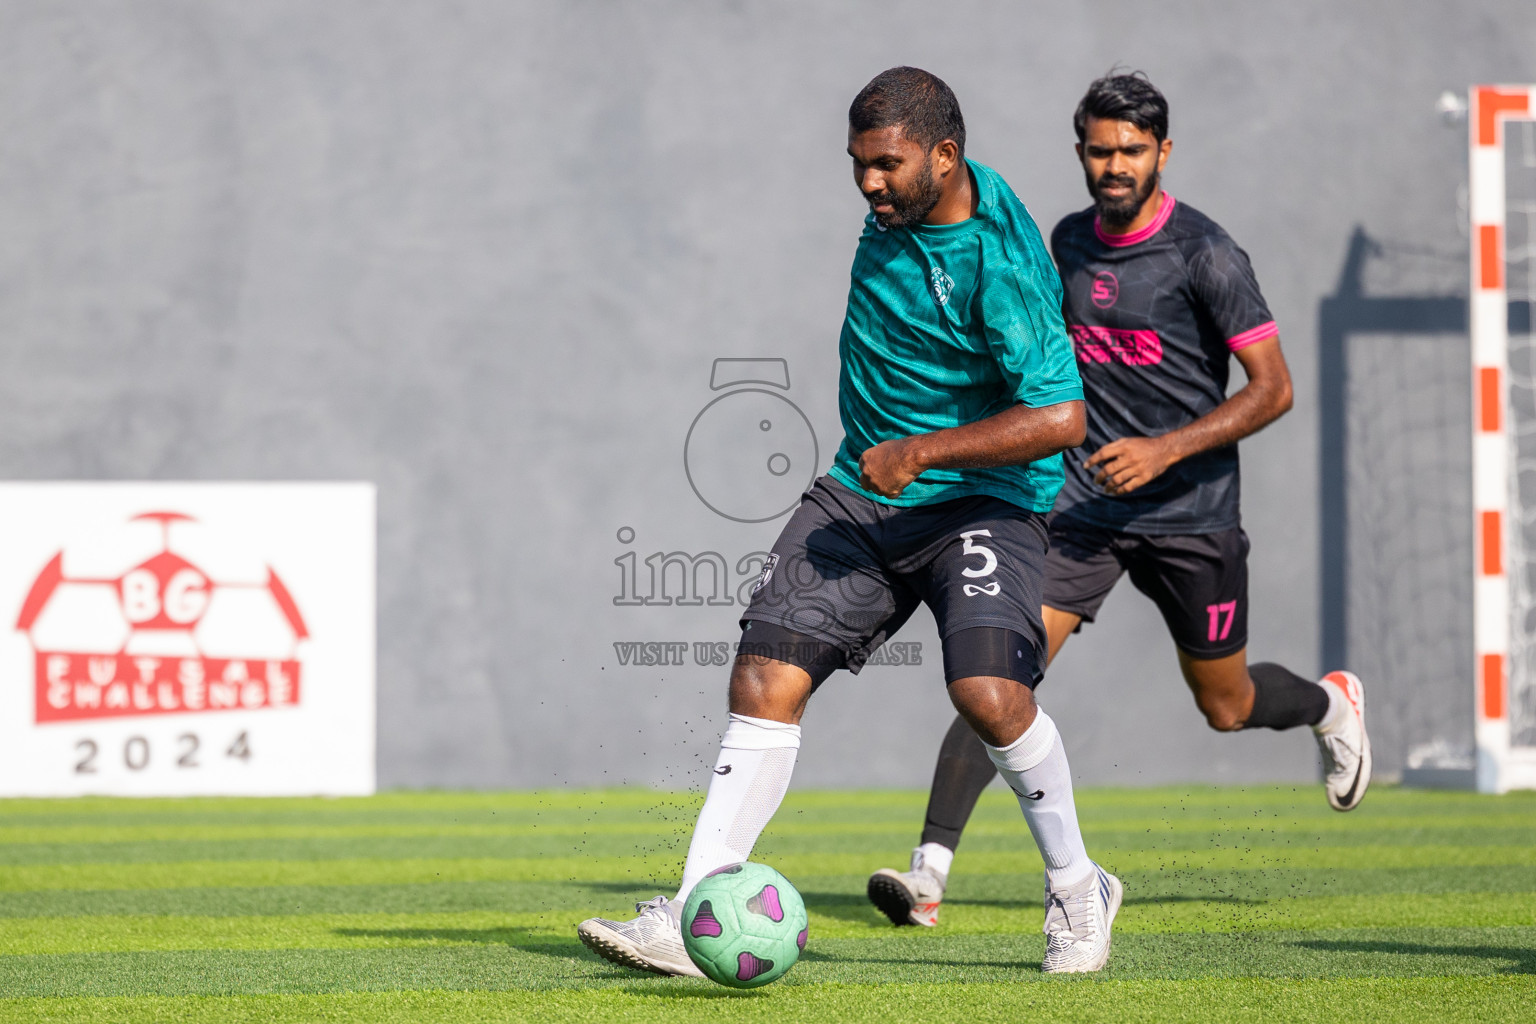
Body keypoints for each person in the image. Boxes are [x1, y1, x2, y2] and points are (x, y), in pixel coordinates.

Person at [578, 66, 1123, 977]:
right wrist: (890, 462)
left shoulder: (999, 264)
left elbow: (1063, 419)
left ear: (945, 157)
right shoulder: (902, 211)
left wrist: (922, 453)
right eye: (858, 164)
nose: (869, 183)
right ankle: (694, 907)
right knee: (762, 680)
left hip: (983, 501)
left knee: (987, 696)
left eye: (887, 165)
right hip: (861, 494)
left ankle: (1076, 887)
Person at [866, 72, 1371, 930]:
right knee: (996, 675)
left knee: (1227, 706)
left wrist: (1166, 449)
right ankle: (927, 873)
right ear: (1080, 153)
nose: (1115, 165)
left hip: (1191, 515)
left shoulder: (1206, 254)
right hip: (1081, 514)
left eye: (1132, 150)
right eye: (1100, 150)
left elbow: (1274, 389)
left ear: (1163, 152)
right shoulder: (1062, 243)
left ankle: (1329, 705)